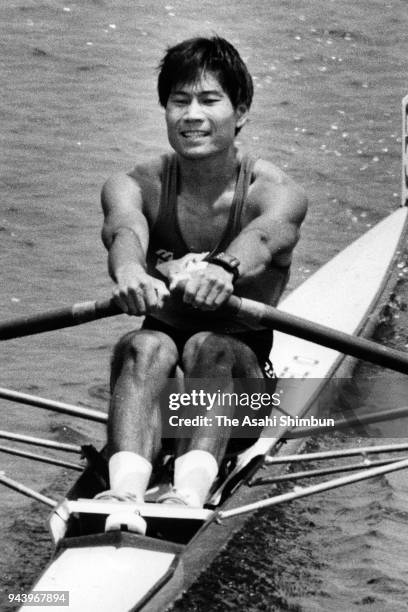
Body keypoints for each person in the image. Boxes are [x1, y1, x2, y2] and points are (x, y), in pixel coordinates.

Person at [98, 36, 307, 531]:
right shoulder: (135, 185)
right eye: (179, 101)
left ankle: (189, 493)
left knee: (207, 345)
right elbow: (124, 231)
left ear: (241, 112)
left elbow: (265, 235)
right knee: (142, 344)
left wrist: (225, 268)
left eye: (209, 100)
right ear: (165, 110)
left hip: (239, 385)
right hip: (162, 388)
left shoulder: (274, 191)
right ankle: (124, 489)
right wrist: (128, 270)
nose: (193, 114)